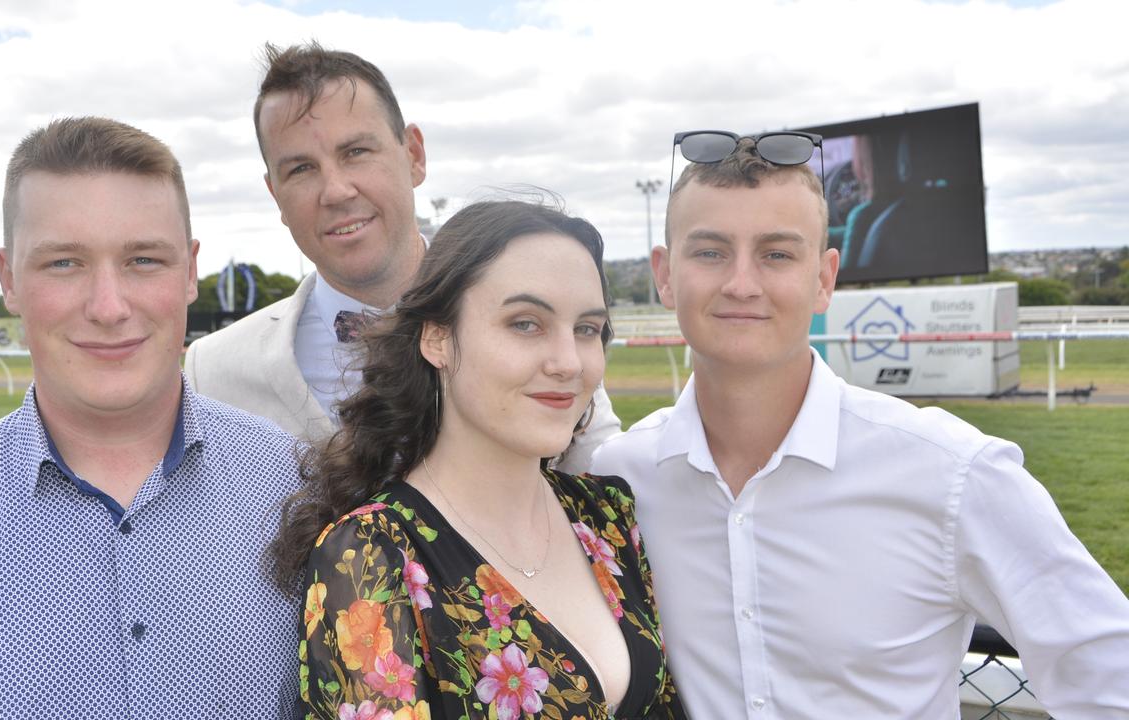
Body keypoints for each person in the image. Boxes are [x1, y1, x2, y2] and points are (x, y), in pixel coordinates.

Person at [591, 135, 1129, 719]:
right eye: (711, 252)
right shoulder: (618, 477)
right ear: (665, 276)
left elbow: (1108, 681)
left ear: (825, 278)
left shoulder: (955, 474)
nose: (741, 283)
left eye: (776, 254)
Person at [0, 117, 303, 718]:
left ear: (191, 271)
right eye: (64, 263)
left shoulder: (301, 493)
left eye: (143, 259)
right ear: (9, 279)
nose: (109, 307)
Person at [271, 201, 684, 719]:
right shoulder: (371, 557)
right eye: (526, 324)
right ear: (437, 337)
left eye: (586, 329)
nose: (568, 363)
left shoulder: (606, 515)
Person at [183, 43, 618, 472]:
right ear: (276, 194)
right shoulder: (215, 370)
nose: (336, 191)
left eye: (356, 152)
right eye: (300, 169)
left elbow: (608, 480)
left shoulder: (531, 323)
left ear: (414, 155)